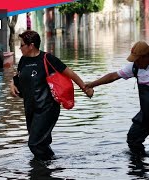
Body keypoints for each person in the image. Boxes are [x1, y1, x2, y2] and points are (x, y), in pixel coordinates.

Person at [85, 41, 149, 159]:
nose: (135, 62)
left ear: (146, 56)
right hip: (146, 112)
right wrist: (91, 84)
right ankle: (140, 169)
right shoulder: (135, 67)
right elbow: (113, 76)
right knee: (133, 139)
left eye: (137, 59)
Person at [9, 30, 94, 160]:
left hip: (47, 108)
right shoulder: (23, 60)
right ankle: (48, 166)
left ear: (31, 45)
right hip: (30, 107)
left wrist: (85, 88)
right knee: (40, 143)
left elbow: (69, 73)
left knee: (34, 144)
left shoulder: (47, 58)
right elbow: (18, 75)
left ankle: (44, 169)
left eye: (22, 45)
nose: (19, 48)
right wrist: (12, 84)